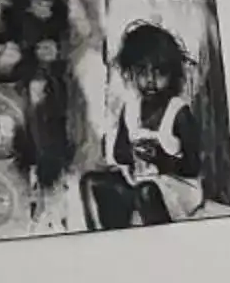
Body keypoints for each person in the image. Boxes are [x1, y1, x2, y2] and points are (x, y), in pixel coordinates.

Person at [85, 18, 206, 228]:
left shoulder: (178, 111)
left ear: (172, 73)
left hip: (177, 188)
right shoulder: (130, 109)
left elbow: (192, 166)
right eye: (142, 72)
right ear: (131, 72)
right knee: (91, 182)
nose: (150, 80)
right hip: (139, 180)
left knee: (146, 192)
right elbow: (120, 153)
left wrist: (161, 158)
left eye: (159, 72)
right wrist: (133, 153)